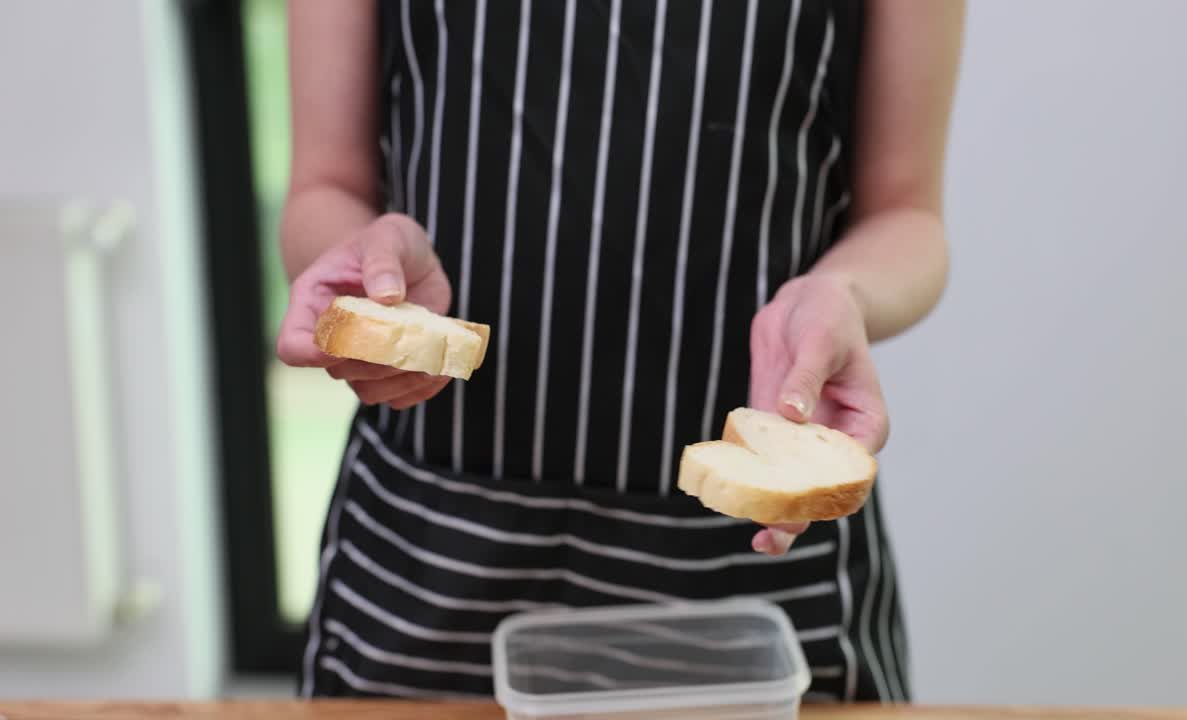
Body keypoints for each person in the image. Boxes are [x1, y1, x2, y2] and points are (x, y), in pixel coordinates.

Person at [276, 0, 962, 703]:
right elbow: (326, 185)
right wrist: (367, 267)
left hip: (761, 568)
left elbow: (905, 212)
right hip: (426, 559)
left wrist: (842, 292)